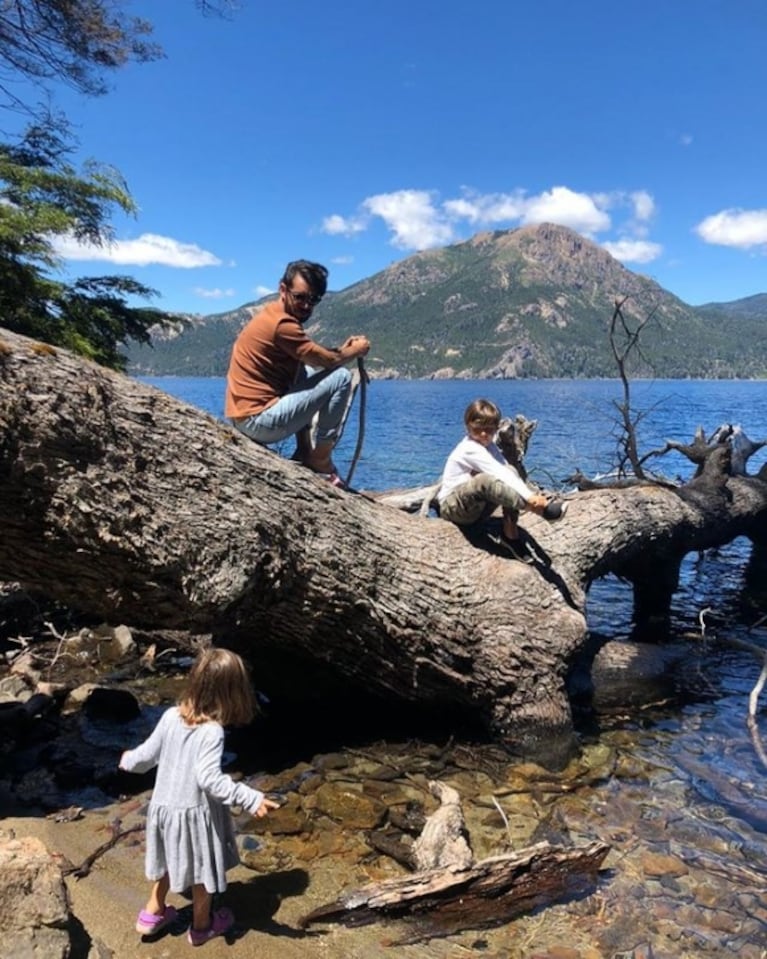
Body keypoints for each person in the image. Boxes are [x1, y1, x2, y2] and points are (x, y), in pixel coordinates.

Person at [119, 647, 279, 946]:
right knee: (201, 872)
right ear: (232, 693)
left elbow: (147, 755)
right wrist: (250, 797)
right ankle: (202, 926)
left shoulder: (170, 716)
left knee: (167, 861)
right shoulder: (212, 732)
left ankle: (152, 914)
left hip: (164, 811)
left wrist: (129, 760)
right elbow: (209, 780)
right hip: (194, 817)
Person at [225, 260, 370, 489]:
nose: (306, 305)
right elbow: (328, 361)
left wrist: (343, 351)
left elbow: (317, 357)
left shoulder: (275, 315)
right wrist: (356, 350)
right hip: (257, 421)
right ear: (283, 289)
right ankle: (320, 458)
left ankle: (304, 450)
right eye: (300, 297)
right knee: (342, 377)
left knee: (306, 370)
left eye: (313, 300)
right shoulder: (282, 324)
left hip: (242, 416)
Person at [437, 398, 567, 562]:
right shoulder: (469, 448)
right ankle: (541, 510)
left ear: (495, 429)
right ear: (467, 427)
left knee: (510, 470)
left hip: (475, 510)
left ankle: (510, 535)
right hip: (452, 508)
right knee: (484, 480)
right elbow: (497, 472)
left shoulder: (489, 447)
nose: (483, 434)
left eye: (489, 430)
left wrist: (530, 493)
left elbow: (507, 472)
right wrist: (530, 499)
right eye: (478, 429)